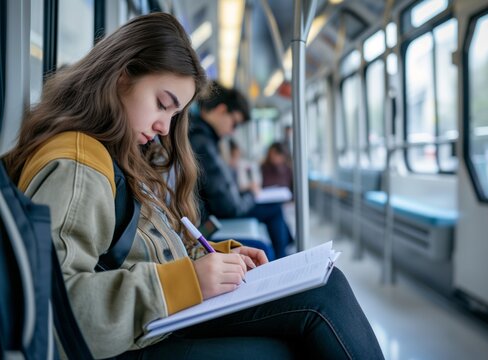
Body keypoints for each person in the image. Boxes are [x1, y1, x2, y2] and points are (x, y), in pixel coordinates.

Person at [3, 13, 383, 360]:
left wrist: (210, 257)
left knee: (321, 289)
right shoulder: (77, 165)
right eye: (161, 104)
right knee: (310, 312)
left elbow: (141, 248)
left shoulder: (115, 153)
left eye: (174, 113)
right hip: (127, 341)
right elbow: (54, 309)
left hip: (153, 322)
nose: (164, 129)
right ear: (122, 75)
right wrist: (186, 281)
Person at [188, 81, 294, 259]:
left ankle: (285, 253)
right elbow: (229, 207)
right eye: (234, 123)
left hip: (212, 215)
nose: (232, 131)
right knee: (269, 228)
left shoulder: (205, 139)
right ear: (222, 110)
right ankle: (283, 258)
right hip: (214, 220)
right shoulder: (203, 143)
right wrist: (251, 194)